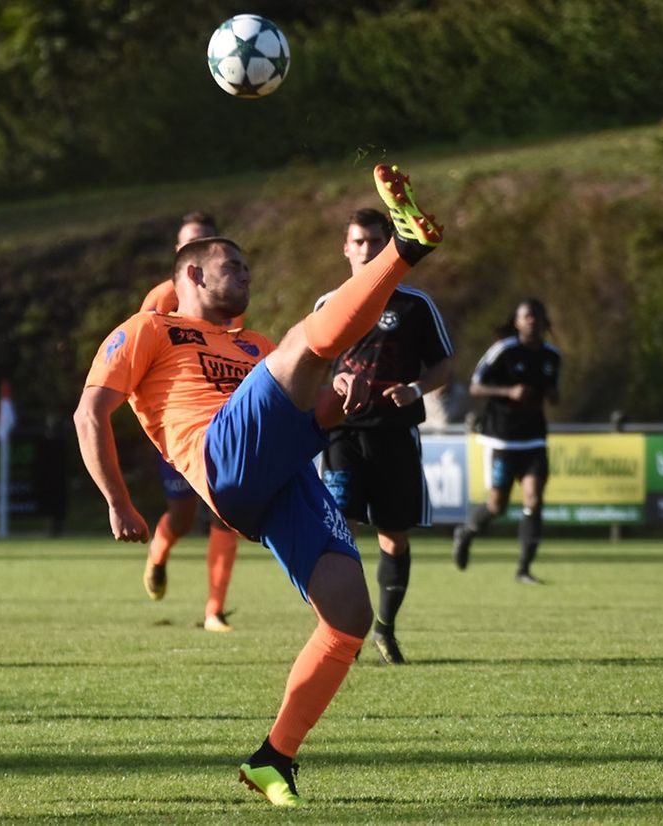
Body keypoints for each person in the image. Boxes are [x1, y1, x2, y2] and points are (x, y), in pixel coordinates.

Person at [74, 163, 443, 807]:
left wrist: (339, 398)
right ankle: (405, 248)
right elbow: (90, 413)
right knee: (305, 340)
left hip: (278, 474)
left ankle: (274, 758)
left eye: (248, 267)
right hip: (220, 459)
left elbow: (309, 413)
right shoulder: (149, 329)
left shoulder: (253, 345)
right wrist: (118, 501)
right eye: (233, 266)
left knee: (349, 617)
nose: (246, 275)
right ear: (193, 275)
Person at [316, 208, 454, 665]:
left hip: (395, 434)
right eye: (358, 241)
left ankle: (386, 629)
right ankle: (343, 633)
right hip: (342, 435)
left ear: (389, 244)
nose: (367, 249)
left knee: (394, 536)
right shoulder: (328, 304)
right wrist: (331, 386)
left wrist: (415, 388)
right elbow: (310, 367)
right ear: (345, 248)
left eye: (375, 241)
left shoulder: (415, 304)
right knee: (341, 532)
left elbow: (444, 366)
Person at [138, 211, 241, 632]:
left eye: (204, 240)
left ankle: (214, 610)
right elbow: (143, 360)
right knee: (181, 518)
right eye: (188, 242)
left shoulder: (229, 297)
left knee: (227, 516)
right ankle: (158, 553)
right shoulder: (161, 299)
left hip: (221, 426)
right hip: (178, 428)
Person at [452, 298, 560, 584]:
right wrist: (508, 392)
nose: (532, 321)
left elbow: (553, 392)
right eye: (526, 316)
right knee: (497, 505)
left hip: (534, 439)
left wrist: (552, 396)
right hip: (502, 439)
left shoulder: (552, 355)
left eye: (536, 316)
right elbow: (476, 387)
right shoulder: (504, 351)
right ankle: (466, 532)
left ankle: (524, 569)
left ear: (544, 321)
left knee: (533, 499)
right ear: (517, 322)